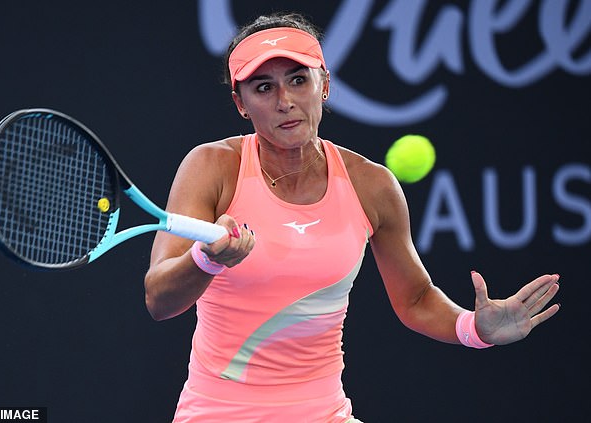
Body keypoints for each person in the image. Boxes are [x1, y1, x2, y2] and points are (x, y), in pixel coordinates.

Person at [144, 12, 560, 422]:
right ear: (241, 104)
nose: (285, 101)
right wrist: (208, 259)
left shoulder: (371, 185)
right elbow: (159, 300)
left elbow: (415, 299)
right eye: (263, 87)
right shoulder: (211, 167)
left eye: (298, 79)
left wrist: (474, 330)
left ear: (325, 83)